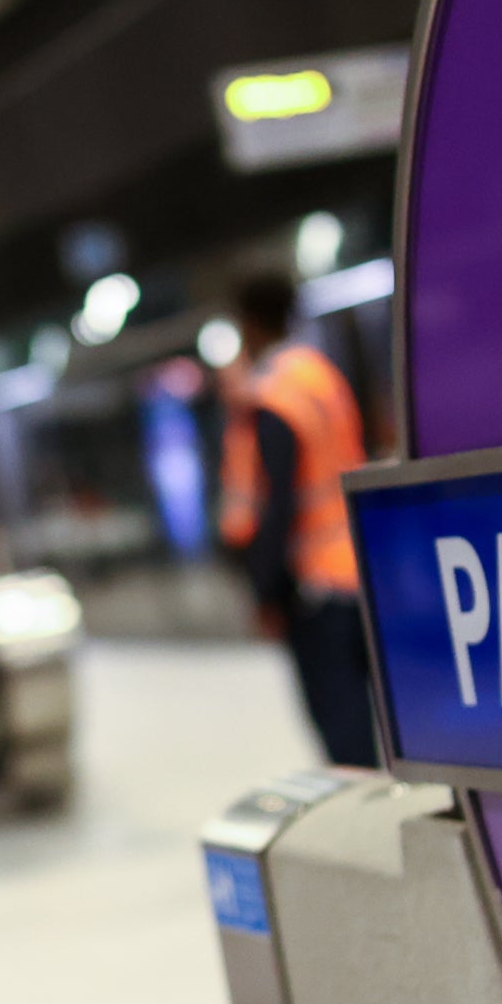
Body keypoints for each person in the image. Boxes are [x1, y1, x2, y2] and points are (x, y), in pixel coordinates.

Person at [220, 272, 380, 769]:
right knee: (376, 722)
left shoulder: (273, 395)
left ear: (248, 324)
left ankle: (363, 837)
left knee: (343, 734)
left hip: (313, 588)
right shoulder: (322, 375)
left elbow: (277, 505)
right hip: (360, 571)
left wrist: (264, 592)